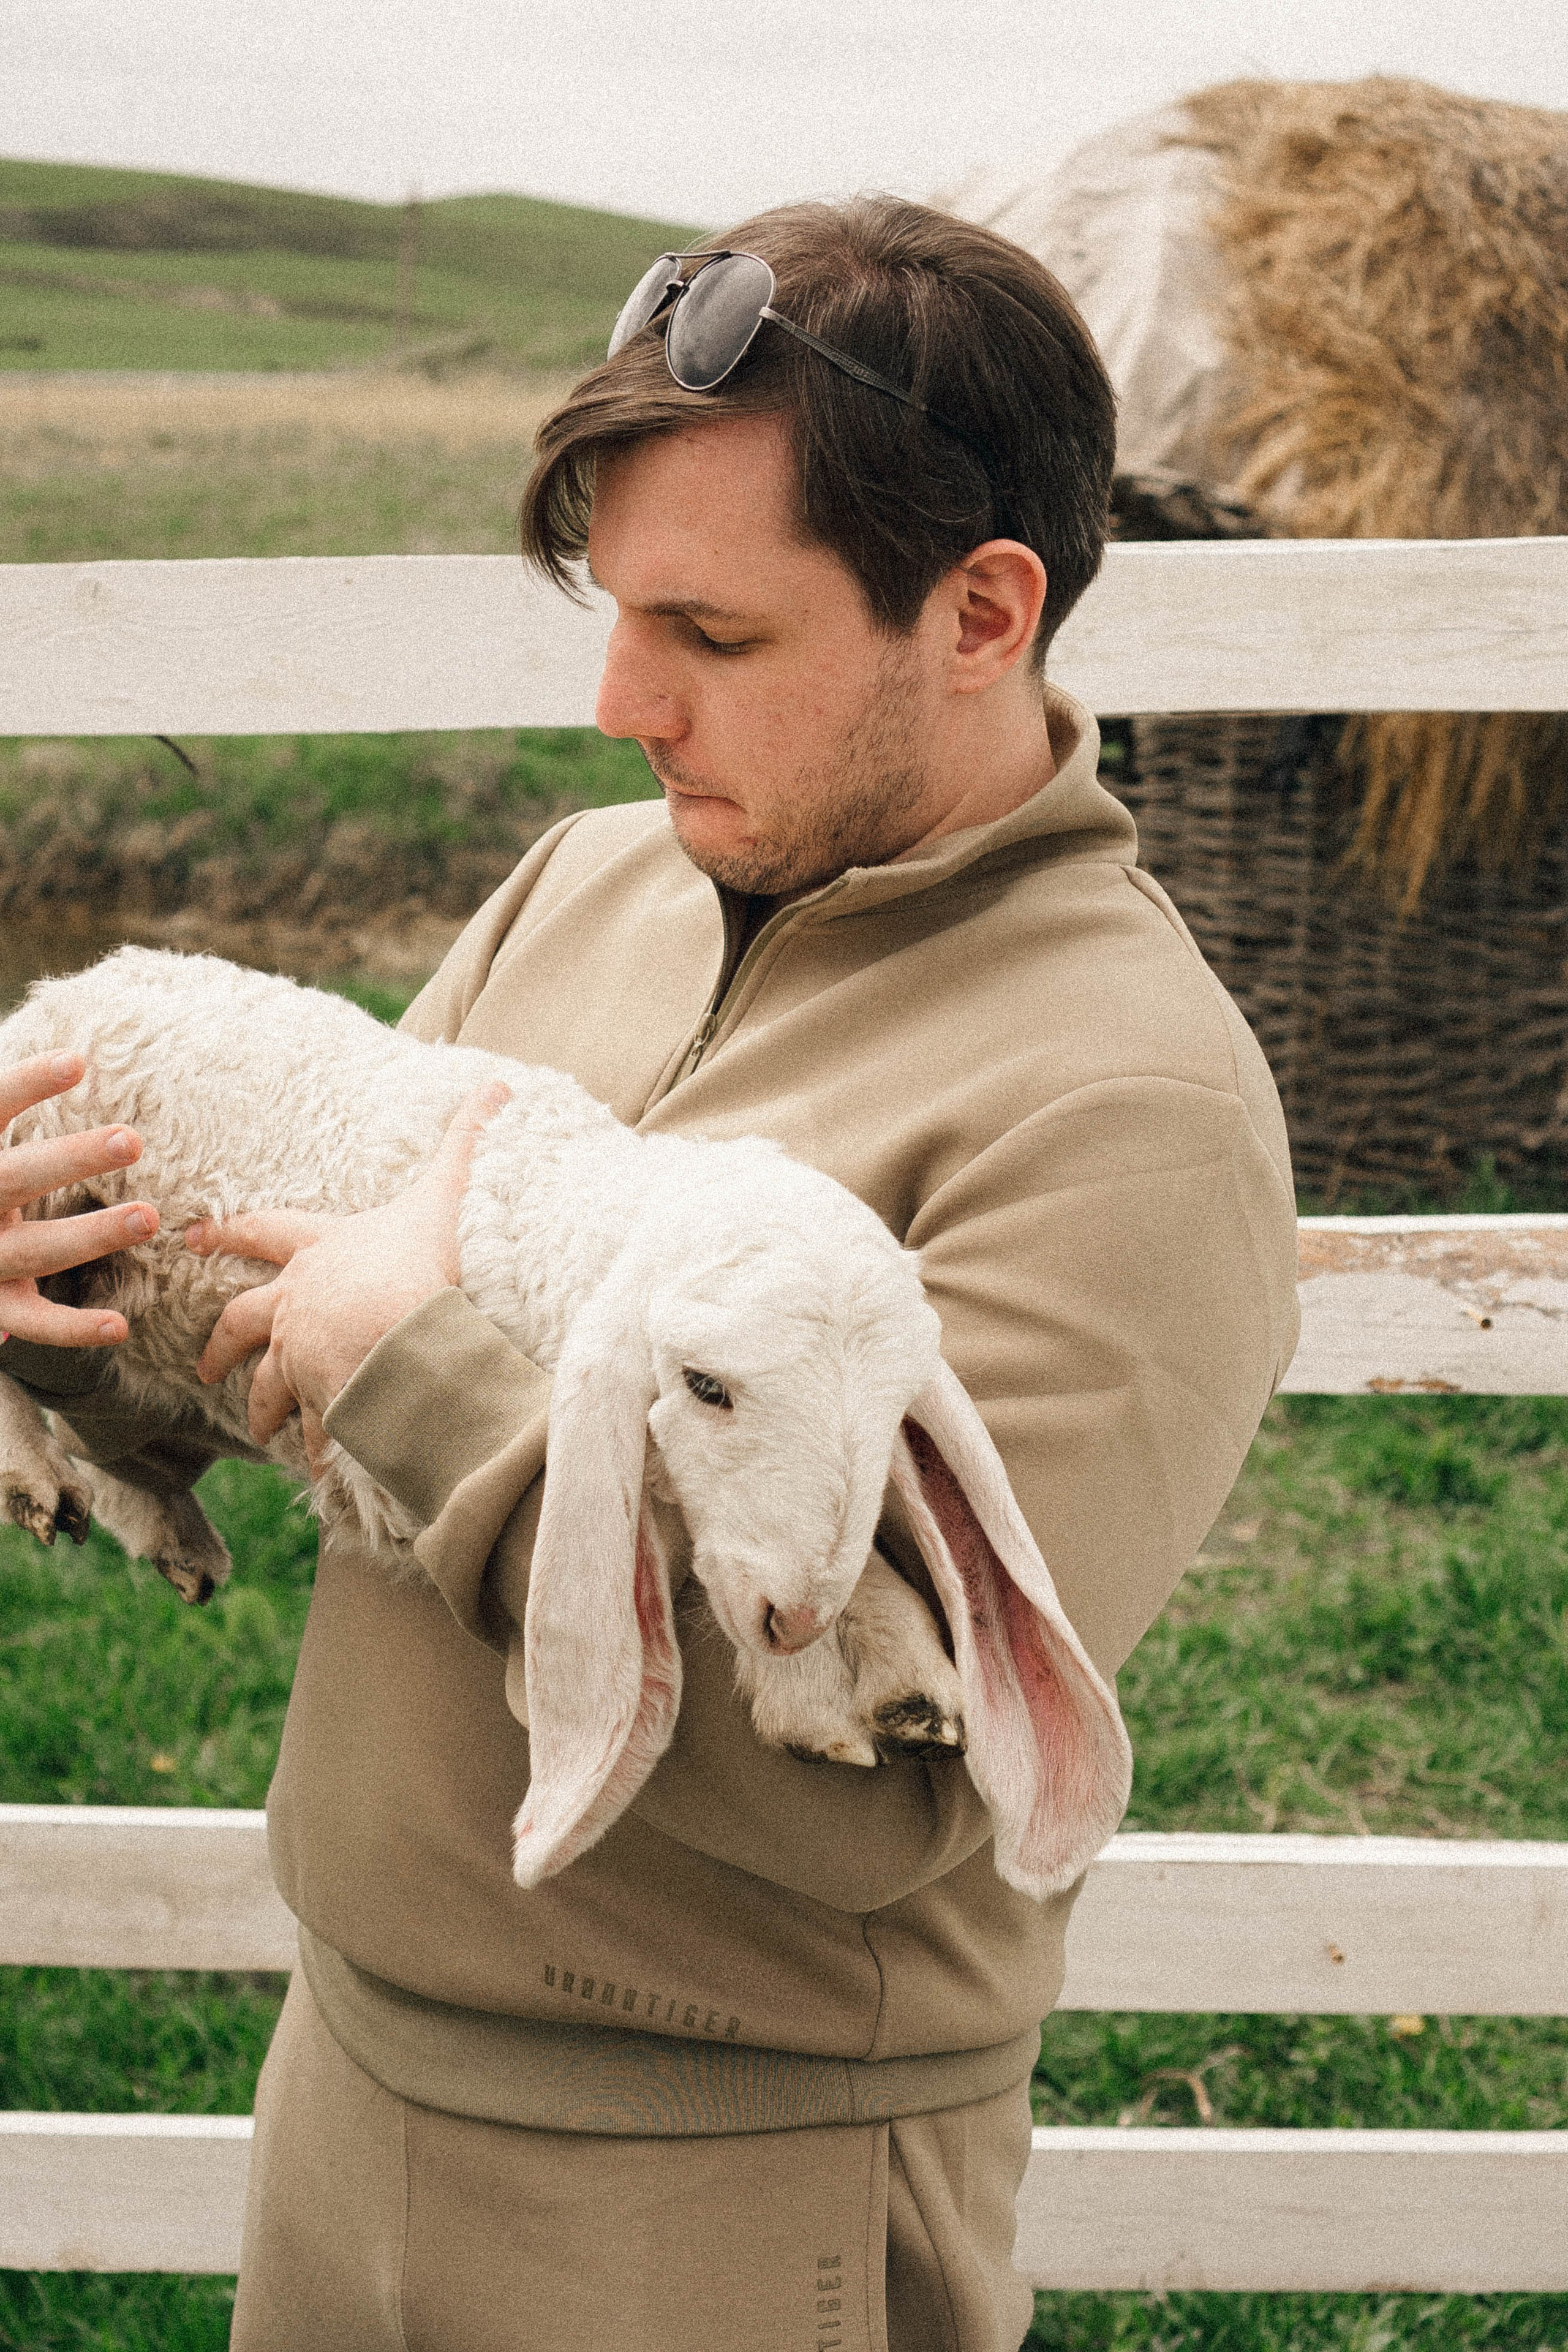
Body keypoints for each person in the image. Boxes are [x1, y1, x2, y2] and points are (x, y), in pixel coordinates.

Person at [0, 197, 1299, 2350]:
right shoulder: (587, 884)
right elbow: (295, 1362)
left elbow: (891, 1789)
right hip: (347, 2088)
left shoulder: (1126, 1106)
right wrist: (77, 1305)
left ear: (984, 612)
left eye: (713, 634)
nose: (620, 705)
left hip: (716, 2199)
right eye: (615, 616)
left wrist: (419, 1378)